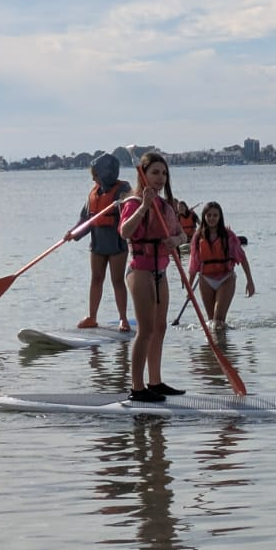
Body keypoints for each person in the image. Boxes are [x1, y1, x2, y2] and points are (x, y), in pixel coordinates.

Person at [120, 151, 186, 403]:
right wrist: (144, 207)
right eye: (155, 173)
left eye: (164, 173)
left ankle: (155, 382)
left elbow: (183, 235)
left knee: (160, 327)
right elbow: (125, 231)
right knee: (146, 329)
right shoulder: (134, 203)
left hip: (161, 270)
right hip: (140, 270)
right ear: (143, 175)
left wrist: (176, 240)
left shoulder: (165, 206)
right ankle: (137, 388)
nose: (160, 178)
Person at [66, 153, 132, 331]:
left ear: (105, 174)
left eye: (96, 175)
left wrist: (124, 200)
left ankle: (123, 319)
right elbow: (86, 220)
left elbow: (131, 209)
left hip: (117, 244)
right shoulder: (94, 193)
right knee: (96, 279)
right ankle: (92, 317)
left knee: (117, 280)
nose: (93, 179)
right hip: (97, 244)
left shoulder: (123, 189)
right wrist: (74, 233)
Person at [187, 201, 255, 331]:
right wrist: (189, 288)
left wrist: (249, 281)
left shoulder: (229, 236)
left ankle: (223, 342)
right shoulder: (198, 237)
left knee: (218, 320)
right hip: (206, 280)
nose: (212, 218)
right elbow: (193, 265)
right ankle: (216, 342)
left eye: (215, 215)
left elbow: (242, 258)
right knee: (211, 322)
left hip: (226, 278)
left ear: (220, 217)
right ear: (204, 216)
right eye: (209, 215)